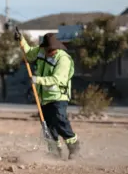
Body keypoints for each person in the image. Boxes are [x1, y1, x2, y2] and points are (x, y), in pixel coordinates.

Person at [14, 28, 80, 159]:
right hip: (43, 97)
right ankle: (54, 151)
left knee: (60, 119)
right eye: (47, 50)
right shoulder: (41, 51)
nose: (50, 53)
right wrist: (21, 40)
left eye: (52, 51)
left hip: (59, 96)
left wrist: (37, 80)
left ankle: (73, 145)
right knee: (48, 125)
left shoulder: (63, 59)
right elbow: (28, 53)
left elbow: (58, 79)